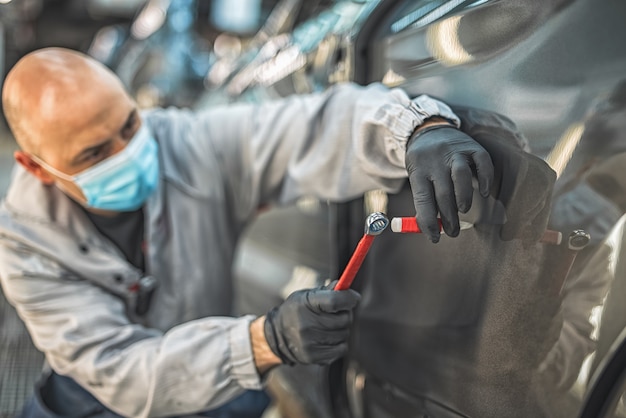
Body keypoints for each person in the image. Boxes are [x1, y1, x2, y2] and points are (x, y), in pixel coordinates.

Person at [0, 47, 543, 418]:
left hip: (213, 380)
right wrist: (264, 340)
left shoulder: (188, 143)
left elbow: (310, 126)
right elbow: (120, 370)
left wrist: (418, 131)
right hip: (99, 397)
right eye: (95, 153)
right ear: (36, 167)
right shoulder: (23, 247)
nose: (129, 153)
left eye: (128, 126)